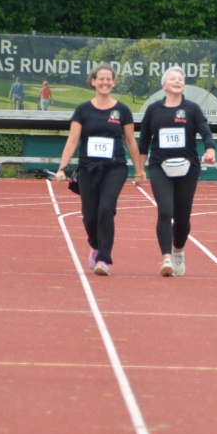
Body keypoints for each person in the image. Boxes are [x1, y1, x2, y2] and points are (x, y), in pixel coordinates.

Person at [55, 64, 144, 276]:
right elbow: (73, 140)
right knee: (89, 216)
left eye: (109, 79)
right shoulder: (83, 110)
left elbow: (131, 141)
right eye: (101, 79)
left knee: (106, 209)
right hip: (88, 168)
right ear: (93, 82)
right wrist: (62, 168)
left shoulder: (122, 111)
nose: (105, 82)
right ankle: (95, 245)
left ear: (114, 82)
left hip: (114, 168)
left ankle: (103, 259)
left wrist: (139, 171)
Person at [138, 65, 216, 277]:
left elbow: (205, 132)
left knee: (182, 218)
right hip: (159, 166)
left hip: (187, 167)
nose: (177, 81)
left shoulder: (192, 109)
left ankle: (178, 251)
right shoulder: (153, 110)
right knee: (165, 211)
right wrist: (139, 169)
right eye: (173, 78)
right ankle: (166, 259)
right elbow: (144, 141)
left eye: (180, 79)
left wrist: (210, 149)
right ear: (164, 85)